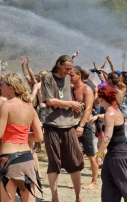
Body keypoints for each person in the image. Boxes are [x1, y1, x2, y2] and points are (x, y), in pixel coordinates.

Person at [0, 73, 43, 201]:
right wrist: (22, 134)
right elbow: (39, 137)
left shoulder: (7, 105)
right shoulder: (30, 107)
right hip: (27, 159)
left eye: (3, 84)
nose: (0, 87)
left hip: (10, 160)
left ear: (11, 88)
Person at [41, 55, 84, 202]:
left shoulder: (68, 78)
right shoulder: (47, 77)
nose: (69, 72)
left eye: (71, 69)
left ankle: (78, 196)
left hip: (69, 125)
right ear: (58, 64)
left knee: (75, 161)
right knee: (54, 162)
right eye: (66, 68)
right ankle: (54, 197)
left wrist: (77, 106)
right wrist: (71, 104)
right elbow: (50, 100)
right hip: (52, 125)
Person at [95, 85, 127, 201]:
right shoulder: (114, 109)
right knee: (108, 181)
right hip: (113, 153)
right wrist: (97, 117)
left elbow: (107, 136)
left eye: (98, 96)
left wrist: (98, 154)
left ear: (102, 98)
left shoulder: (110, 112)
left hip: (118, 155)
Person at [70, 66, 98, 190]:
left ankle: (94, 181)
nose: (70, 78)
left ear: (79, 75)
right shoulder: (71, 89)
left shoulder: (86, 89)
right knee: (76, 153)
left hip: (86, 125)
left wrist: (81, 125)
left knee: (91, 154)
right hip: (73, 124)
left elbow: (88, 109)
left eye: (72, 75)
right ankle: (79, 179)